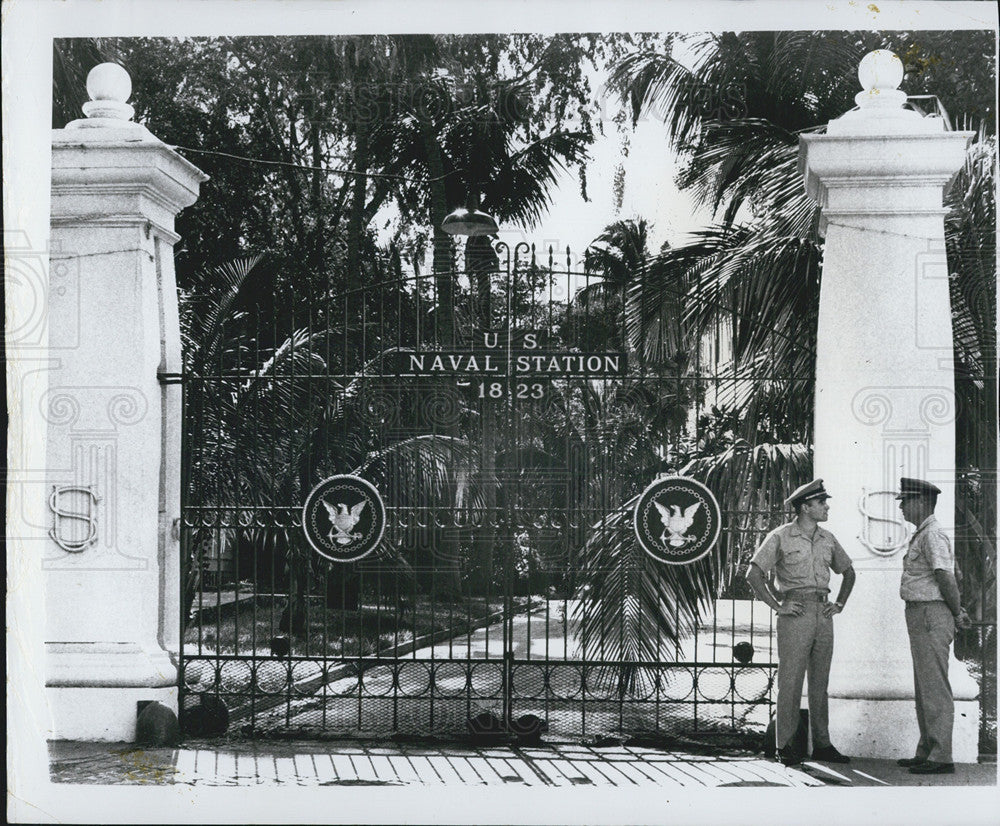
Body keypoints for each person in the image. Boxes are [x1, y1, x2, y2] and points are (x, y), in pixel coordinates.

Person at [746, 479, 856, 766]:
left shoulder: (828, 538)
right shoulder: (780, 537)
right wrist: (778, 606)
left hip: (823, 613)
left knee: (820, 683)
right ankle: (785, 745)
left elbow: (849, 572)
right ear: (805, 507)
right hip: (795, 613)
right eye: (821, 503)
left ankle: (822, 744)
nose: (826, 507)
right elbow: (754, 574)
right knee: (791, 682)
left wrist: (839, 604)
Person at [895, 477, 970, 775]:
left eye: (905, 500)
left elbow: (944, 576)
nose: (901, 505)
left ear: (922, 502)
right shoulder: (923, 534)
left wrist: (956, 611)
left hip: (931, 613)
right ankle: (927, 749)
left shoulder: (933, 534)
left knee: (934, 685)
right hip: (920, 613)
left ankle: (941, 755)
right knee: (924, 684)